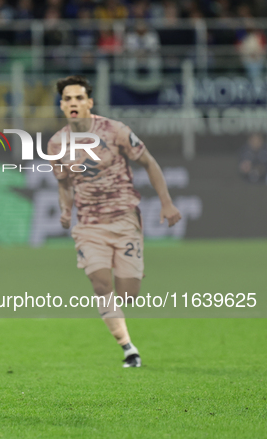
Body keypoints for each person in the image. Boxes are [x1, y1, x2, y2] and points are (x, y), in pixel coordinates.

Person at [47, 75, 181, 367]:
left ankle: (130, 277)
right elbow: (63, 183)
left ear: (89, 102)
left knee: (128, 294)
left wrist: (166, 202)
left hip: (124, 219)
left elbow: (149, 163)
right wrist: (65, 209)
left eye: (79, 98)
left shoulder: (115, 130)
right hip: (89, 224)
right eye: (68, 98)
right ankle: (128, 349)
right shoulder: (56, 143)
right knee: (99, 284)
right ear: (62, 104)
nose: (73, 103)